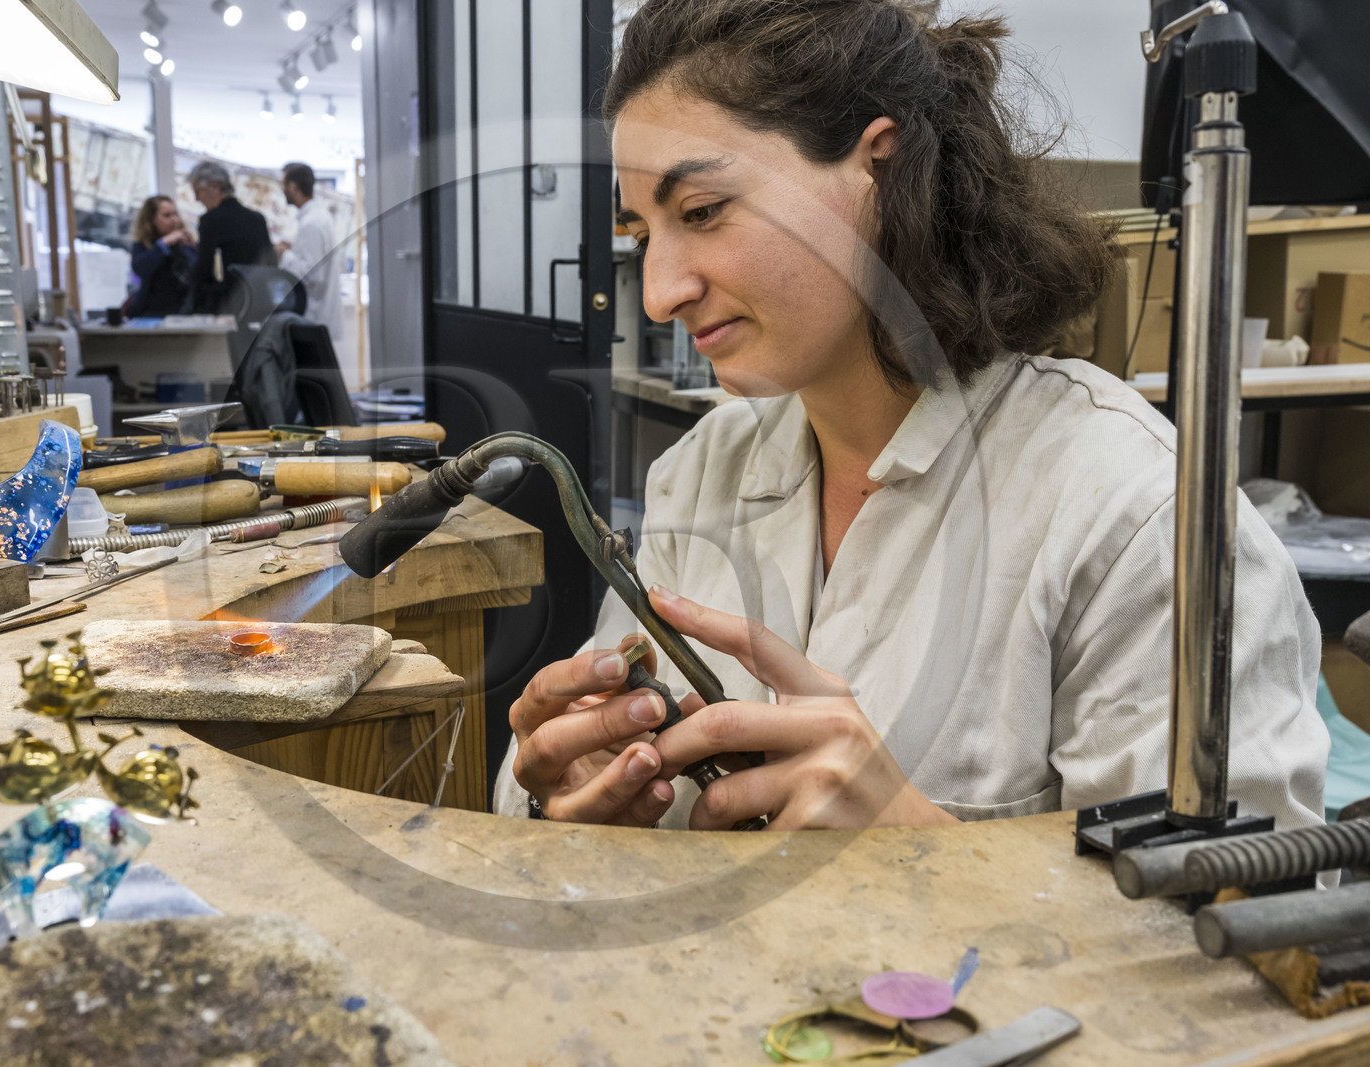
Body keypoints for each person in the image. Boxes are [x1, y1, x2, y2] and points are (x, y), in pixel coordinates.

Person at [495, 0, 1329, 832]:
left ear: (879, 169)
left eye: (704, 211)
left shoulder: (1130, 510)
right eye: (643, 233)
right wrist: (564, 781)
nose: (662, 290)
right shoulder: (703, 470)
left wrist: (917, 844)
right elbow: (569, 769)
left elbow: (1237, 915)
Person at [182, 159, 276, 314]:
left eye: (198, 191)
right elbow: (271, 262)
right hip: (259, 302)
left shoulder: (210, 220)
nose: (197, 199)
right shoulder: (257, 219)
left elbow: (203, 269)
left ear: (215, 186)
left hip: (228, 304)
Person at [278, 162, 345, 341]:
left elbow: (312, 275)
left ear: (293, 187)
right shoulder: (317, 217)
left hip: (315, 316)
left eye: (283, 185)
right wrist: (293, 249)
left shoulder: (312, 223)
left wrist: (282, 255)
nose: (281, 190)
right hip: (318, 317)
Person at [123, 195, 197, 318]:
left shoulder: (187, 242)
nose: (174, 220)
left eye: (175, 214)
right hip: (152, 311)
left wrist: (185, 247)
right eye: (167, 216)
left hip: (183, 310)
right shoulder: (144, 245)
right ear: (152, 219)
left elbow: (195, 272)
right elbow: (140, 269)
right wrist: (162, 245)